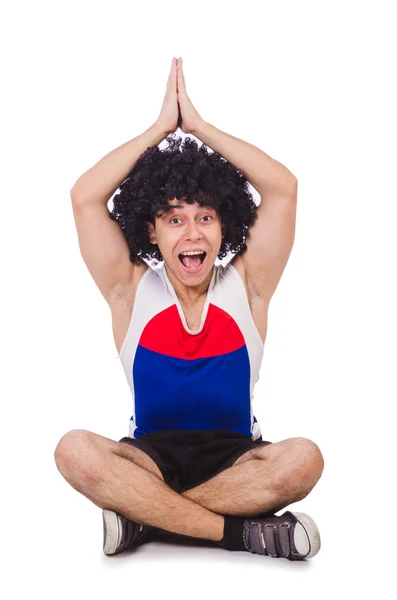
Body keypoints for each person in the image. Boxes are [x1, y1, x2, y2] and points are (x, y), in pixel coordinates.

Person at [54, 56, 324, 560]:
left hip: (238, 458)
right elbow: (85, 197)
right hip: (148, 459)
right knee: (73, 449)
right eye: (173, 220)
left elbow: (283, 188)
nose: (193, 232)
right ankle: (240, 533)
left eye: (205, 216)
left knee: (304, 460)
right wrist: (160, 130)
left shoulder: (248, 287)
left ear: (225, 227)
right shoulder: (129, 292)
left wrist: (199, 127)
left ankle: (146, 522)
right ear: (151, 231)